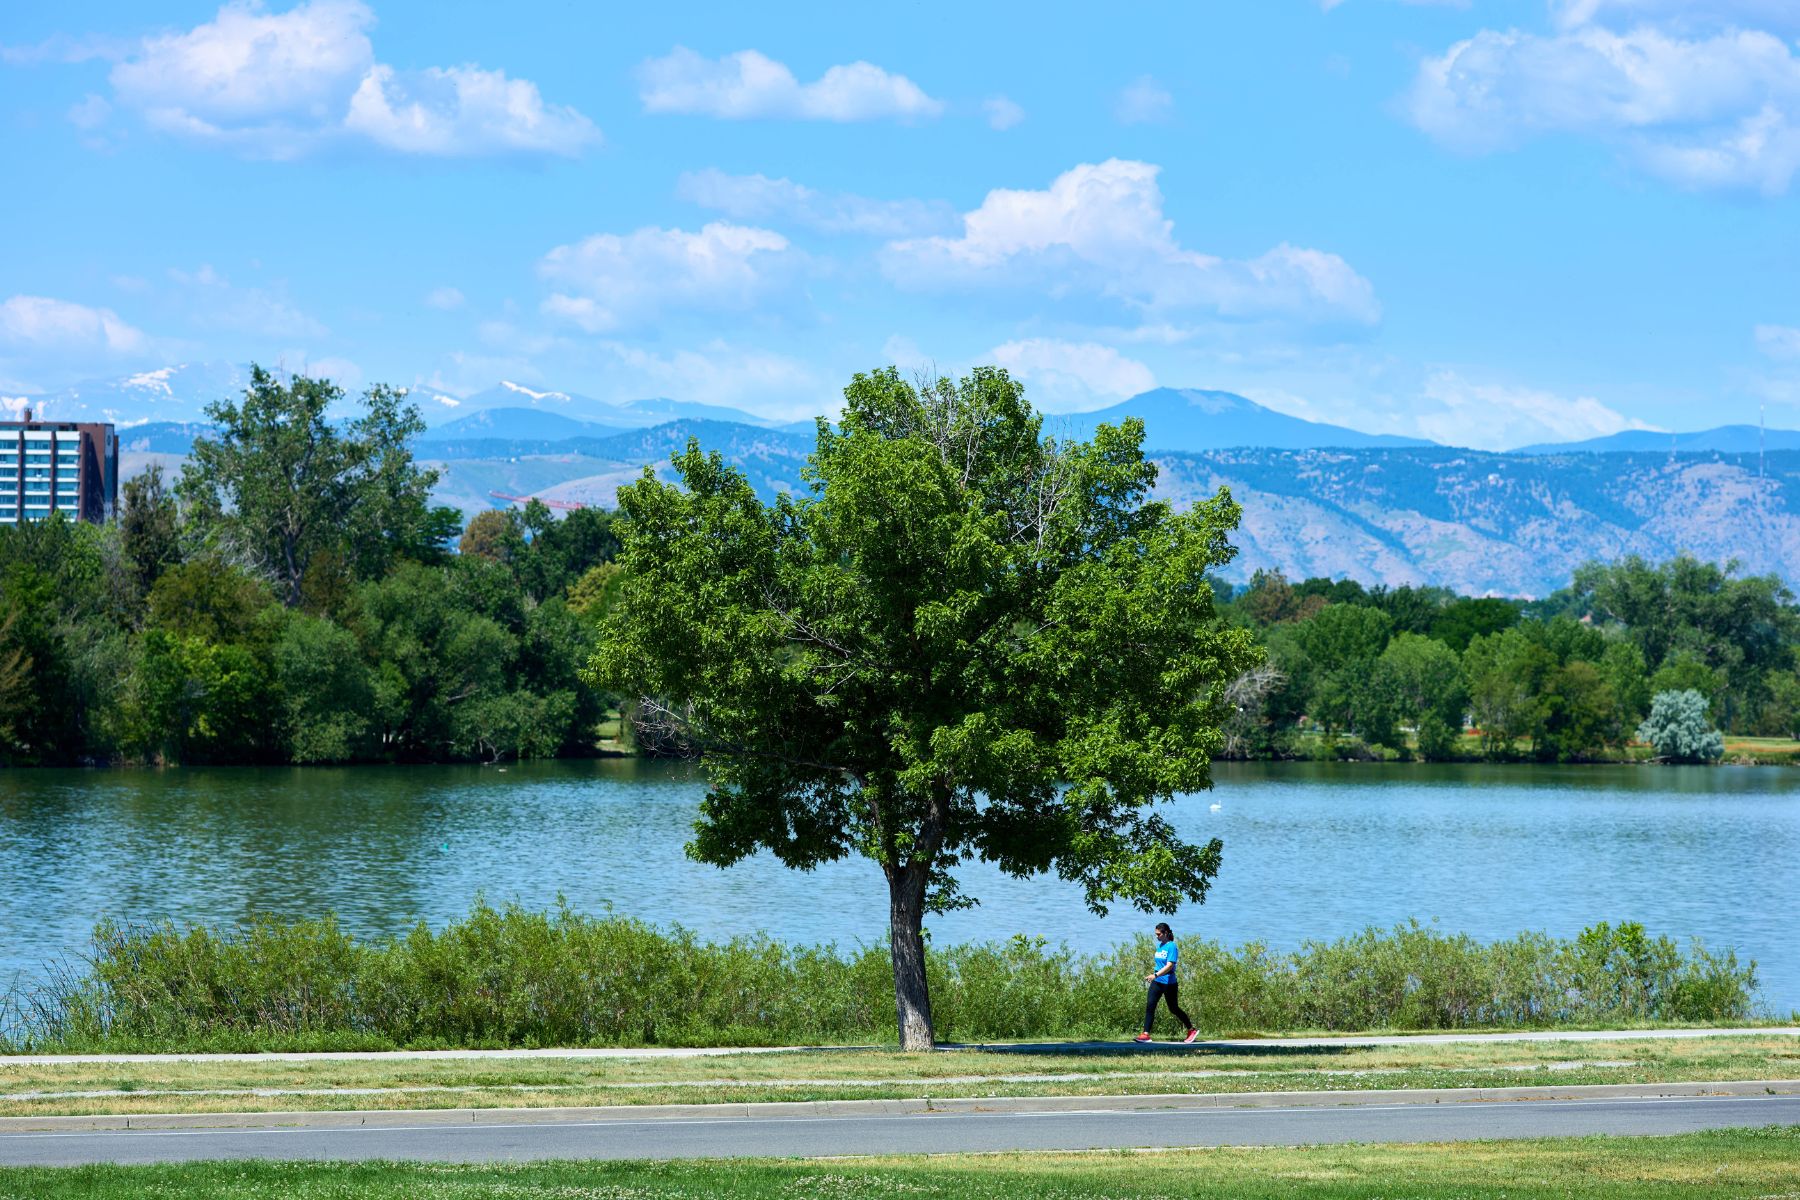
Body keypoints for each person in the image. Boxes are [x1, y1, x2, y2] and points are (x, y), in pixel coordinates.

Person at [1134, 921, 1198, 1043]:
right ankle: (1146, 1034)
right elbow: (1160, 963)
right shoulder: (1160, 946)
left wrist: (1155, 975)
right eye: (1156, 934)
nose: (1156, 936)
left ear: (1166, 933)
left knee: (1173, 1008)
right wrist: (1155, 976)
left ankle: (1191, 1029)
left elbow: (1169, 965)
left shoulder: (1172, 946)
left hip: (1169, 983)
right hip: (1157, 981)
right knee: (1150, 1006)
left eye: (1158, 934)